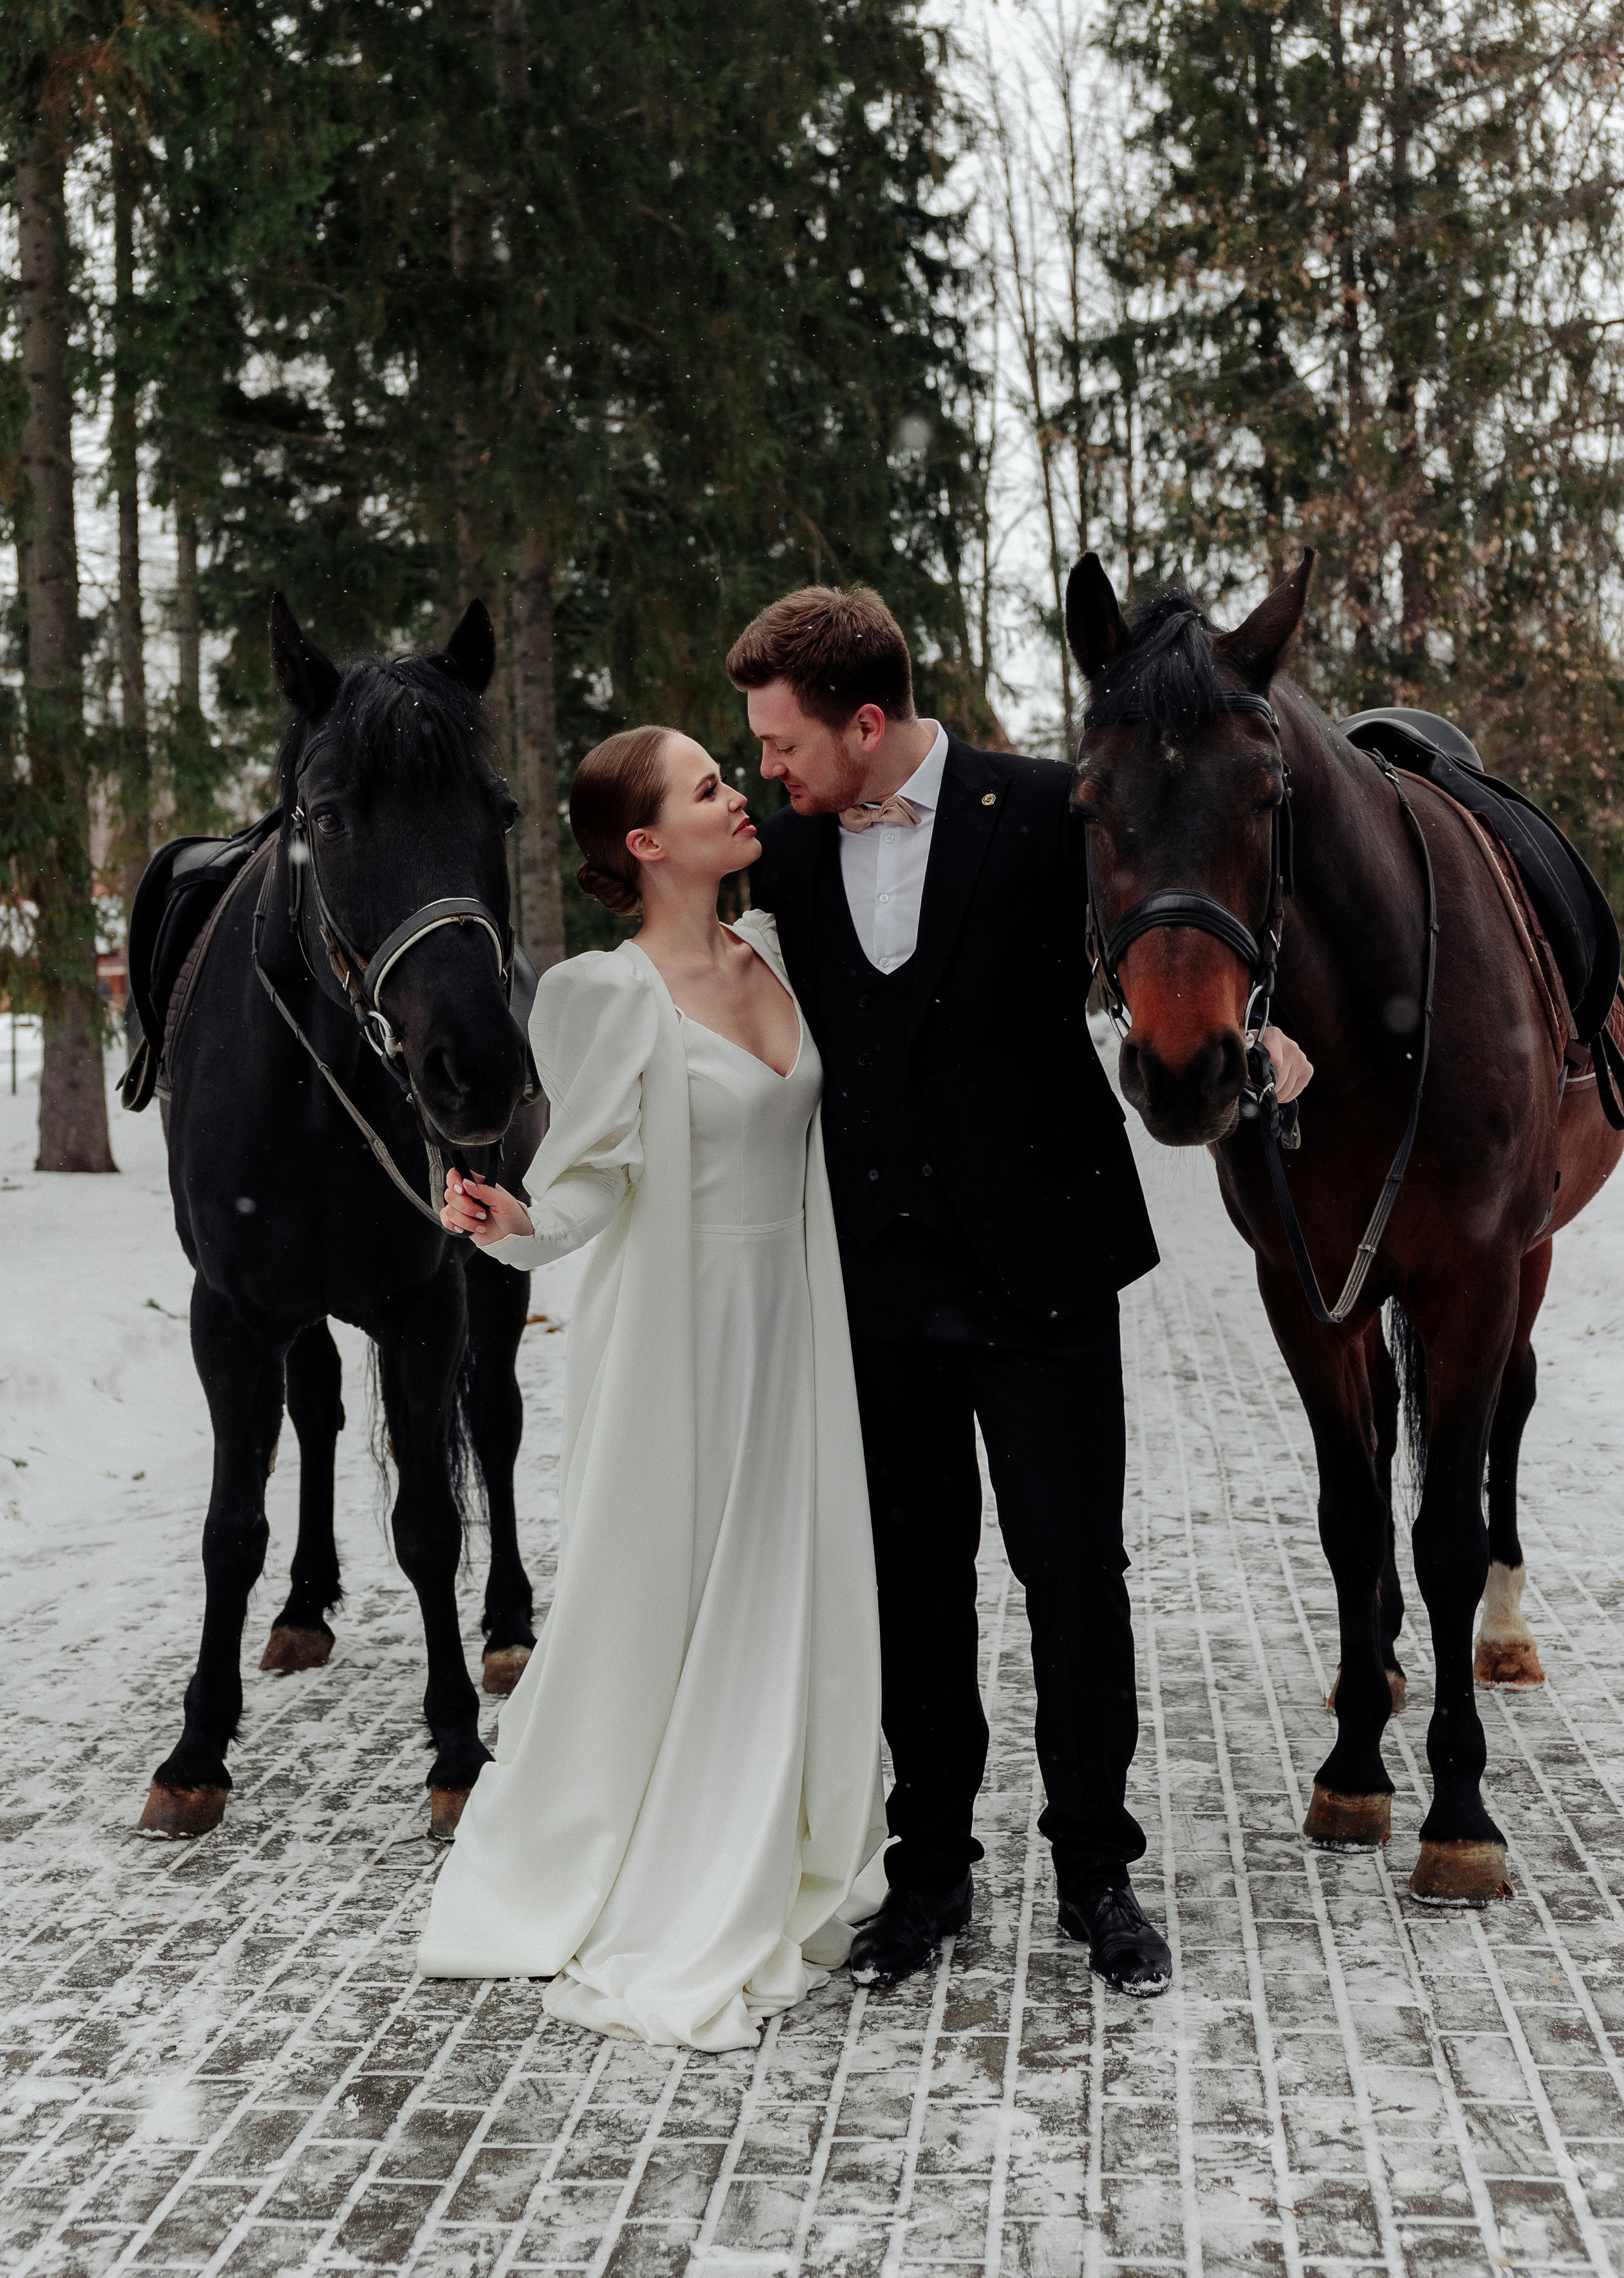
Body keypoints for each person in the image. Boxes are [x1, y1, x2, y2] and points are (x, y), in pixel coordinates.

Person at [729, 586, 1313, 2001]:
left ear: (864, 723)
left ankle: (1093, 1872)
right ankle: (926, 1874)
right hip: (876, 1277)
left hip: (1042, 1264)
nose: (764, 769)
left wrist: (1266, 1035)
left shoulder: (1051, 805)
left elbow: (1179, 897)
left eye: (778, 739)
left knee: (1071, 1579)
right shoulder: (788, 861)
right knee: (916, 1588)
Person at [416, 724, 885, 2053]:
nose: (738, 795)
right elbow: (582, 1191)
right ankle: (650, 1851)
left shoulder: (781, 952)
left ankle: (786, 1814)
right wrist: (506, 1216)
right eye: (706, 787)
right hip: (681, 1345)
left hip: (794, 1333)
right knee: (670, 1599)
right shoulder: (604, 994)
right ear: (642, 842)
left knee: (787, 1588)